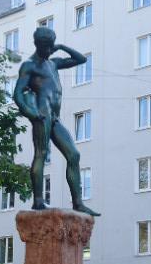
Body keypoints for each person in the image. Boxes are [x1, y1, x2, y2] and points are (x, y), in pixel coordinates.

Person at [13, 27, 100, 216]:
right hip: (41, 115)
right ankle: (38, 201)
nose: (50, 49)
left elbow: (81, 59)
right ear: (38, 45)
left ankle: (78, 203)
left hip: (55, 118)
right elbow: (18, 93)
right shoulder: (29, 66)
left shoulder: (52, 64)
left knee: (74, 155)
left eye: (52, 46)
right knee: (41, 154)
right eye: (48, 46)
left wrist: (61, 46)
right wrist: (31, 113)